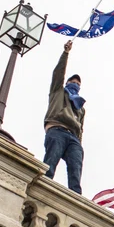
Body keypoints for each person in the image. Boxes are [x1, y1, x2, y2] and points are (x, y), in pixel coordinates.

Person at [43, 40, 86, 194]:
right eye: (72, 81)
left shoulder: (80, 106)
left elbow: (81, 128)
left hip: (73, 137)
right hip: (57, 130)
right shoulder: (58, 91)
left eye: (78, 83)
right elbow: (58, 73)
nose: (75, 84)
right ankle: (43, 188)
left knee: (76, 169)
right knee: (50, 164)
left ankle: (75, 197)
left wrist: (79, 143)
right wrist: (65, 54)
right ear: (67, 82)